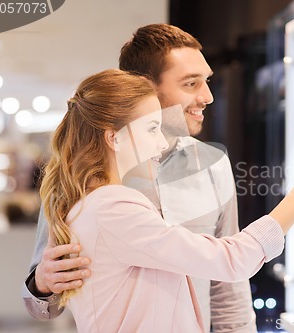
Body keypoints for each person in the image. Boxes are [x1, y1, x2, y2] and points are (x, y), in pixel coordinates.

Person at [39, 68, 294, 332]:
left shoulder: (94, 202)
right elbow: (231, 260)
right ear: (114, 138)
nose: (160, 144)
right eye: (152, 129)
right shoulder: (113, 206)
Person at [23, 23, 256, 332]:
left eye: (207, 81)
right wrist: (42, 283)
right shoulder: (81, 175)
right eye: (191, 84)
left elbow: (228, 288)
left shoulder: (213, 164)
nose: (208, 96)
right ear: (146, 85)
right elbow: (41, 306)